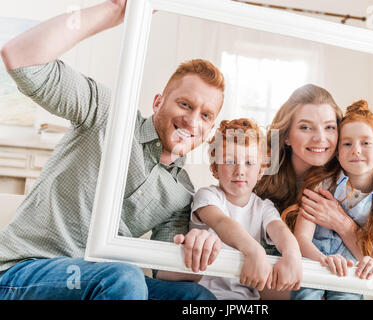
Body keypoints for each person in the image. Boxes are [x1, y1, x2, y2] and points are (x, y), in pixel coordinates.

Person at [0, 0, 224, 300]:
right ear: (158, 102)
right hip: (24, 271)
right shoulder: (108, 112)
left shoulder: (180, 192)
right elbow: (20, 57)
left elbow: (164, 271)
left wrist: (200, 250)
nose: (193, 120)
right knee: (124, 276)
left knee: (195, 297)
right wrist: (115, 9)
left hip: (99, 283)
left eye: (206, 115)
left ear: (210, 129)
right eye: (185, 104)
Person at [283, 100, 373, 300]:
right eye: (347, 143)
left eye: (365, 143)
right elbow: (301, 238)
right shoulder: (321, 186)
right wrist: (324, 260)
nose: (355, 150)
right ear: (337, 153)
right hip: (313, 266)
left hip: (350, 276)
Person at [188, 118, 302, 300]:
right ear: (215, 168)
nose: (239, 170)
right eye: (230, 161)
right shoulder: (208, 196)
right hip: (206, 294)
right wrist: (254, 250)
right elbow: (220, 222)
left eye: (249, 163)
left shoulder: (264, 207)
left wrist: (293, 254)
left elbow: (280, 231)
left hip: (245, 298)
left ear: (260, 171)